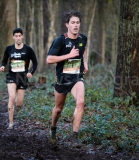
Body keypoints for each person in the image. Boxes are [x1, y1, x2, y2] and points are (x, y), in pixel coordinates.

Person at [46, 10, 88, 148]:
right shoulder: (61, 40)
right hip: (62, 79)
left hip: (77, 78)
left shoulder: (83, 39)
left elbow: (84, 50)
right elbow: (49, 59)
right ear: (67, 25)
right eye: (73, 23)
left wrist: (85, 64)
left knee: (80, 103)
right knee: (58, 109)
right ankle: (53, 129)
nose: (75, 25)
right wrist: (68, 55)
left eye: (77, 23)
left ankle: (74, 136)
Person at [0, 28, 38, 129]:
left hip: (22, 77)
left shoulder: (28, 49)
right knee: (11, 98)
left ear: (22, 36)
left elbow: (35, 62)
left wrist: (31, 72)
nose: (18, 38)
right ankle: (11, 123)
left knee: (19, 103)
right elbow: (4, 60)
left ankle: (16, 101)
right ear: (13, 37)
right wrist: (3, 66)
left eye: (19, 36)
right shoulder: (9, 49)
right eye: (16, 36)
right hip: (11, 75)